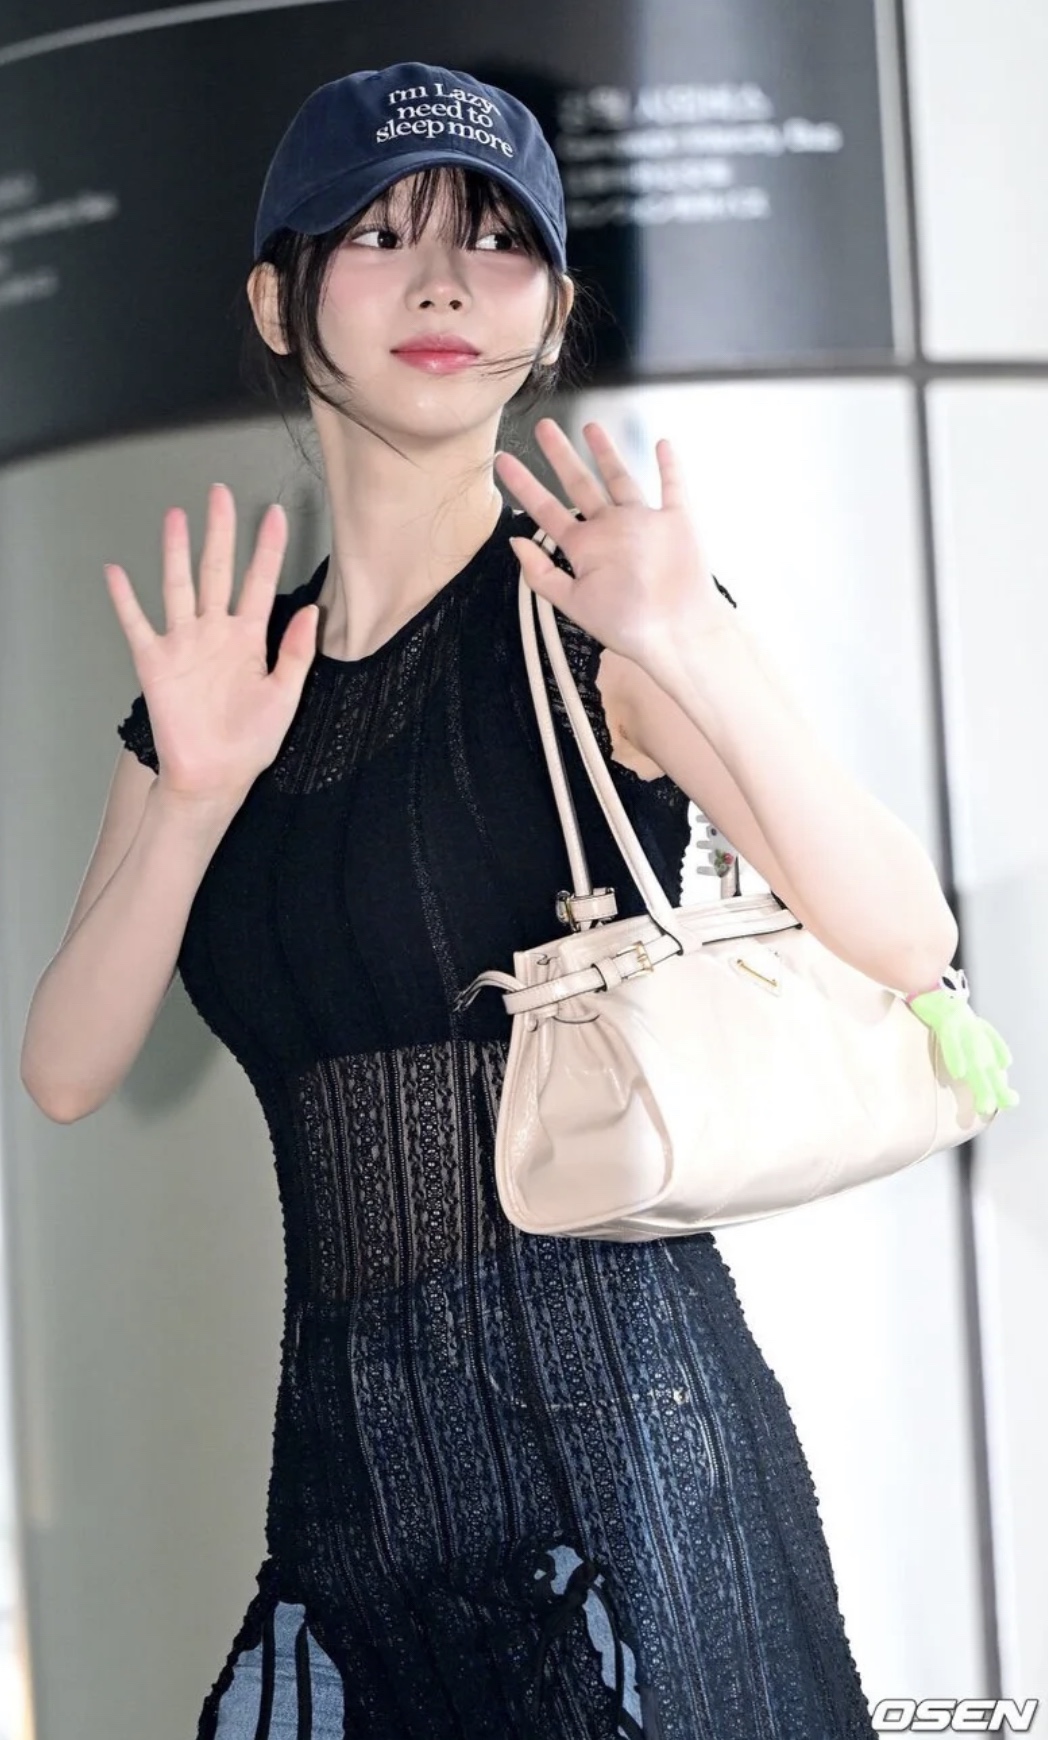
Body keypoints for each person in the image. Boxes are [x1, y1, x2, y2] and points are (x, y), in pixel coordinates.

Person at [21, 59, 1015, 1740]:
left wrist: (688, 633)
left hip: (623, 1473)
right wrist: (191, 796)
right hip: (345, 1501)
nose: (444, 283)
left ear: (550, 315)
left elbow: (906, 935)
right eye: (381, 235)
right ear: (275, 301)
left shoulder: (597, 617)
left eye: (498, 242)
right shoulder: (221, 688)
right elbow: (65, 1068)